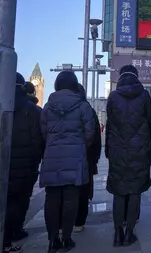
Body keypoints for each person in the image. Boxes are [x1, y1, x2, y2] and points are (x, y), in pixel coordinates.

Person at [40, 71, 96, 252]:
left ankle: (52, 239)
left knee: (52, 199)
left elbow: (43, 133)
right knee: (71, 199)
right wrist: (78, 146)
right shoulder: (83, 106)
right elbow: (90, 133)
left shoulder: (47, 107)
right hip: (75, 158)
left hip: (52, 158)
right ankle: (67, 238)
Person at [106, 65, 151, 246]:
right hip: (139, 150)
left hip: (118, 150)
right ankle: (129, 232)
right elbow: (149, 122)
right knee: (134, 190)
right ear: (136, 76)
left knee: (118, 190)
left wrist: (108, 150)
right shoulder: (144, 96)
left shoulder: (113, 97)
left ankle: (117, 232)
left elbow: (109, 124)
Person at [3, 74, 43, 253]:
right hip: (26, 167)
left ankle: (6, 237)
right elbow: (38, 140)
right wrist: (36, 160)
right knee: (19, 200)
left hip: (5, 163)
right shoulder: (33, 111)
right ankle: (14, 232)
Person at [73, 84, 102, 234]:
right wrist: (94, 158)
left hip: (57, 159)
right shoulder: (87, 109)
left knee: (58, 192)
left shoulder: (49, 107)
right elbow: (95, 136)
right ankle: (78, 222)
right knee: (83, 189)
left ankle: (58, 228)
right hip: (84, 157)